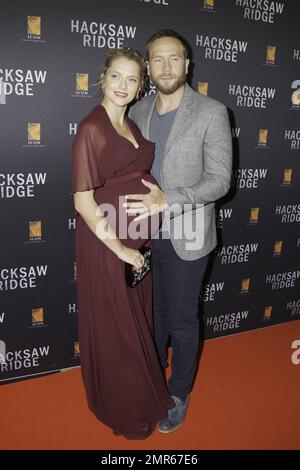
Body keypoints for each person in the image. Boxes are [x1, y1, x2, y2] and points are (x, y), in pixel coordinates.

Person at [126, 30, 232, 433]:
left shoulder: (211, 112)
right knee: (152, 317)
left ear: (187, 65)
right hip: (143, 235)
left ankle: (177, 392)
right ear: (148, 66)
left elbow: (220, 180)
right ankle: (152, 382)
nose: (166, 66)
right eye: (157, 59)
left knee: (183, 319)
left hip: (187, 235)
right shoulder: (137, 112)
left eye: (174, 58)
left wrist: (170, 199)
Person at [72, 47, 173, 440]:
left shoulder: (130, 123)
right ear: (103, 78)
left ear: (140, 86)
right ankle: (125, 408)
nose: (123, 86)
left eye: (132, 79)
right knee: (118, 329)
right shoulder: (91, 129)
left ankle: (138, 395)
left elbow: (135, 172)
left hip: (137, 239)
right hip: (109, 244)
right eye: (117, 76)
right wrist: (121, 251)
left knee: (134, 322)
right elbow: (83, 201)